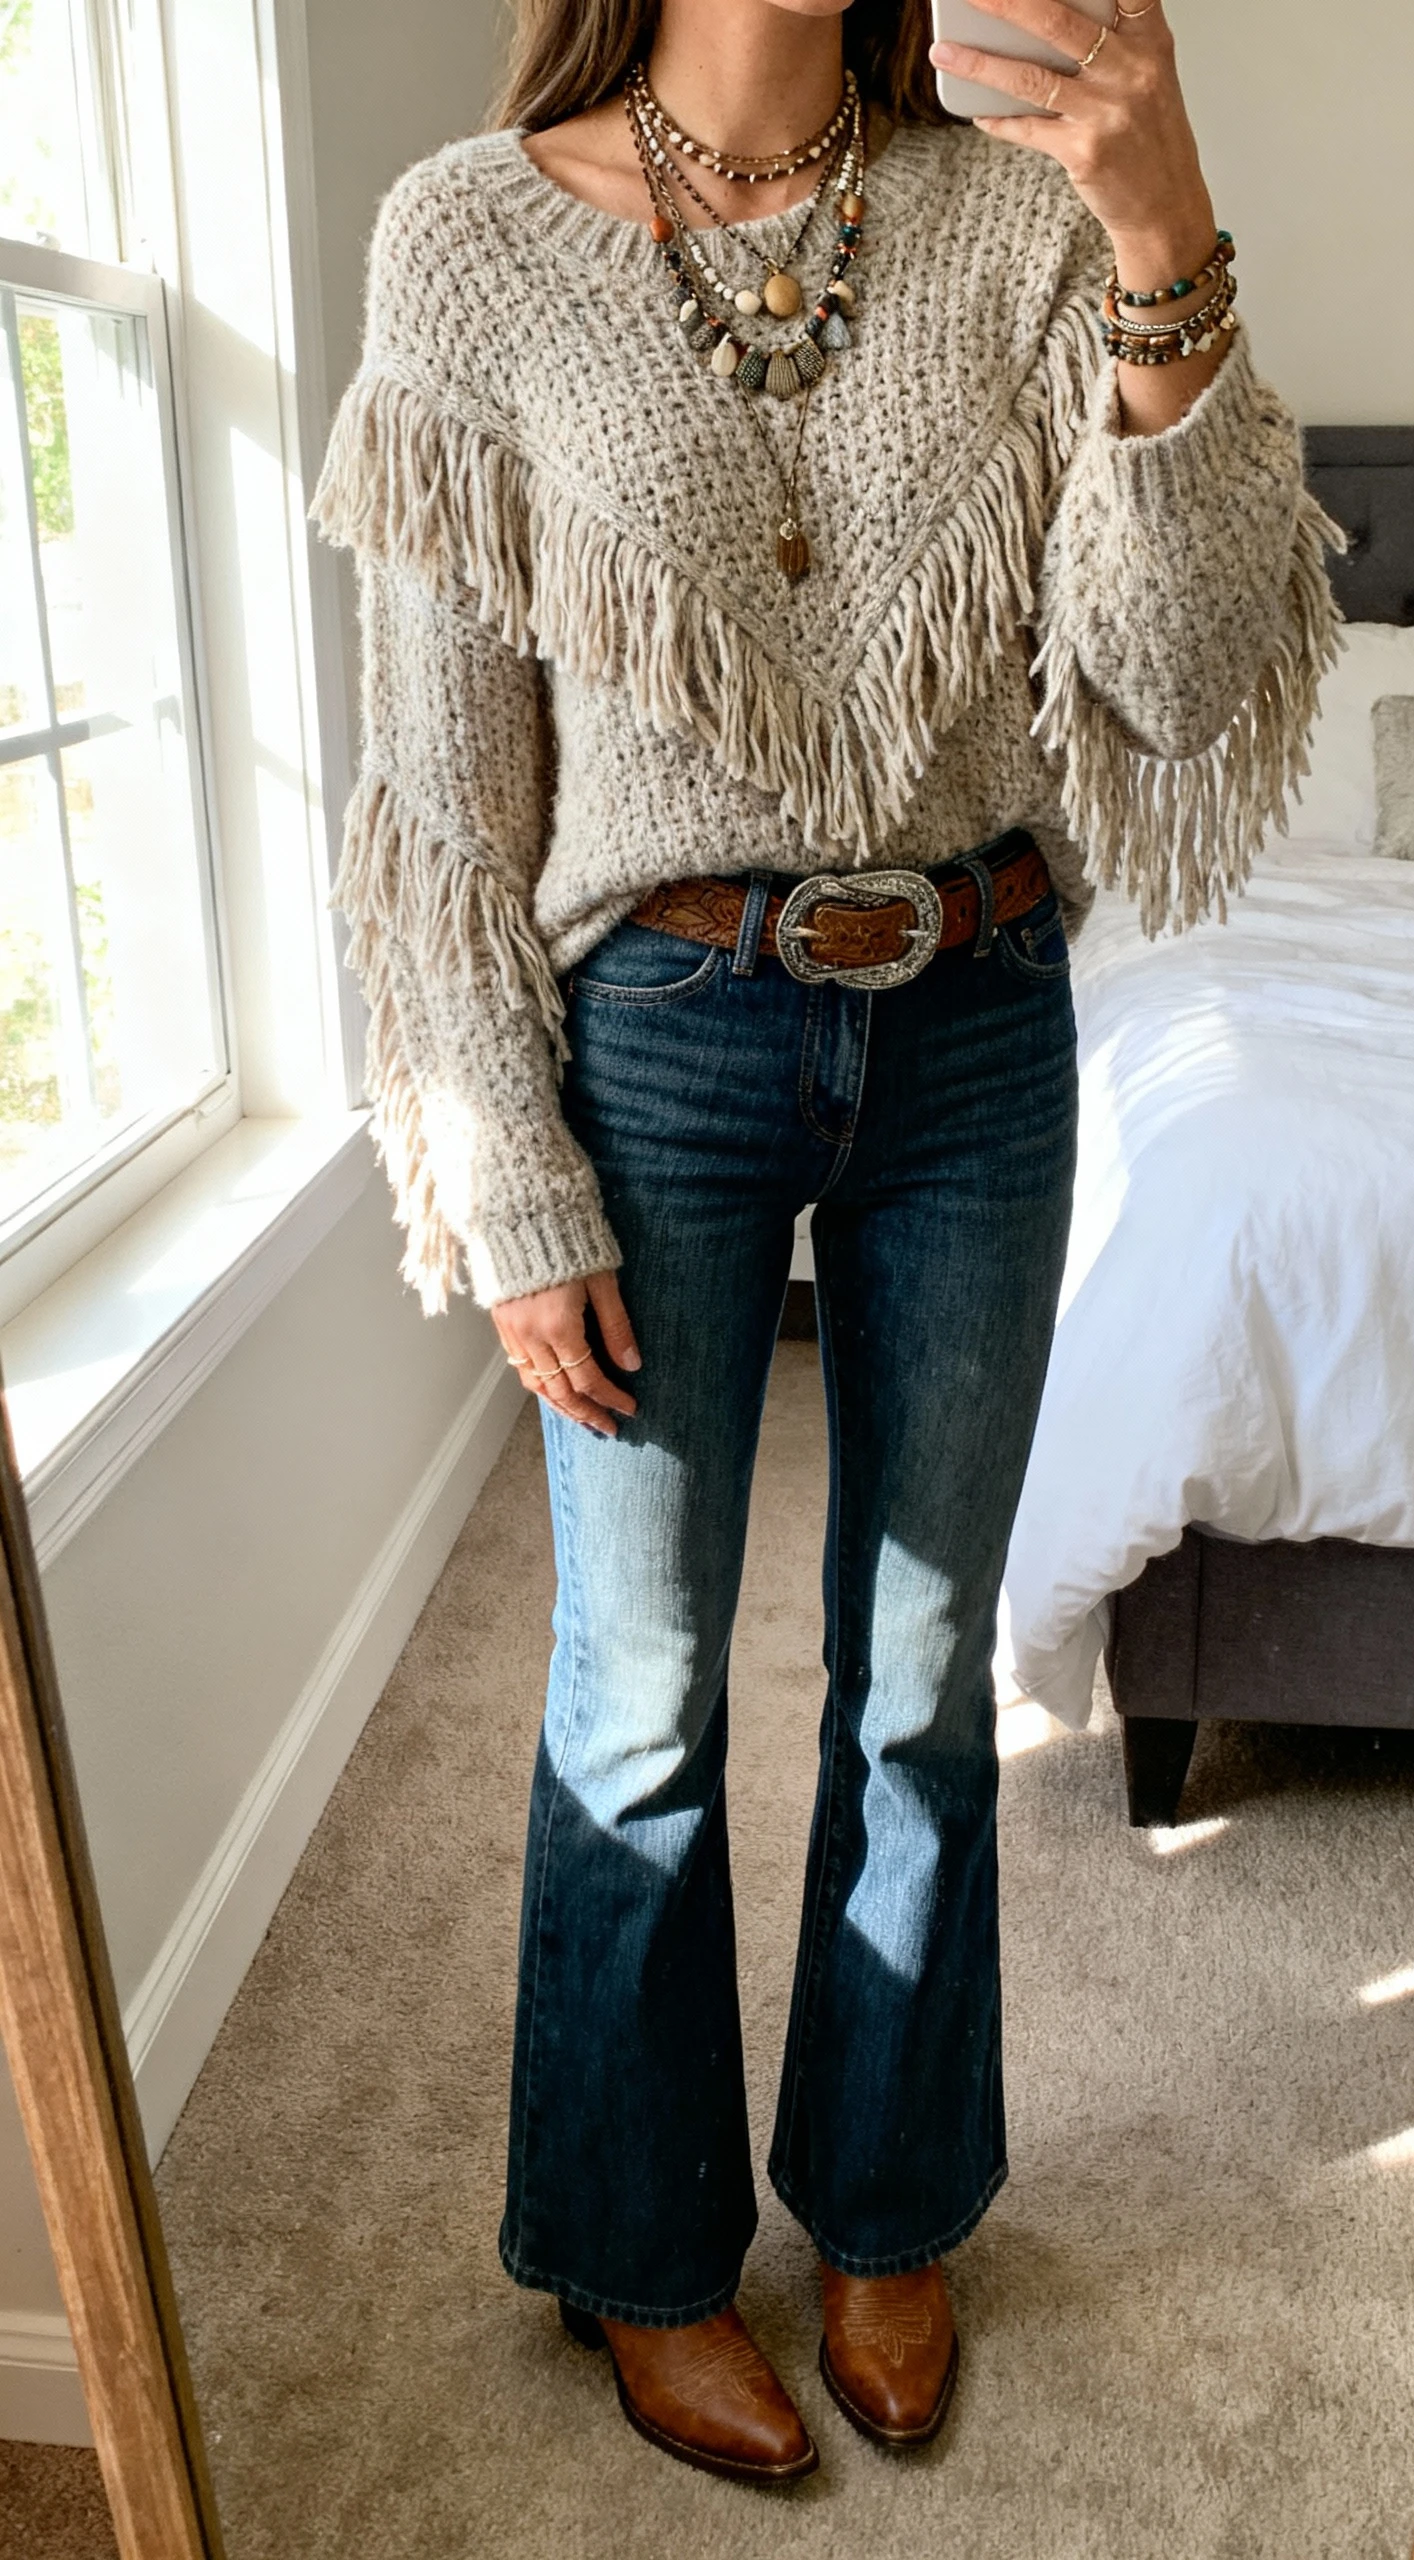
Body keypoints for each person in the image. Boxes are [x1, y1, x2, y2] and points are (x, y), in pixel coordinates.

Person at [313, 0, 1336, 2487]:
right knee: (634, 1695)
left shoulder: (1009, 212)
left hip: (979, 1018)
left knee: (920, 1678)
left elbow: (1180, 678)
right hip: (652, 1030)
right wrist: (512, 1173)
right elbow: (439, 803)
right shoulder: (466, 240)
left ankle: (888, 2199)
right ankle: (637, 2251)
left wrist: (1161, 226)